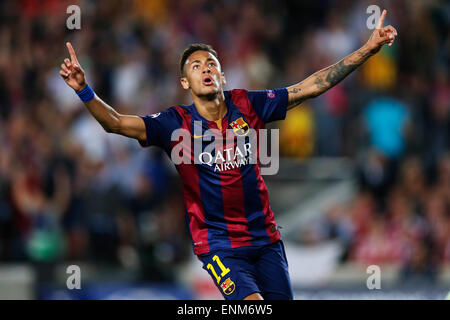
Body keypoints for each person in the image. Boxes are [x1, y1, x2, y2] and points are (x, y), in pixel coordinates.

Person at [59, 10, 397, 300]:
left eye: (211, 63)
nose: (205, 68)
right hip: (219, 245)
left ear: (221, 75)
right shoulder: (173, 123)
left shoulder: (248, 103)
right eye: (195, 66)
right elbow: (116, 123)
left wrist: (368, 49)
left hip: (266, 240)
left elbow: (311, 86)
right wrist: (84, 90)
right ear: (185, 82)